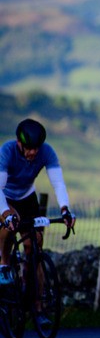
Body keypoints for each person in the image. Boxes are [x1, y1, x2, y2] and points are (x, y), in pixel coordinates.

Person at [0, 119, 76, 326]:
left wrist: (65, 209)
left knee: (35, 248)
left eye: (36, 148)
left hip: (27, 197)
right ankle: (4, 264)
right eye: (29, 148)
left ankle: (37, 307)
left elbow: (58, 183)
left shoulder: (47, 152)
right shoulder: (7, 151)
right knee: (10, 224)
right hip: (5, 197)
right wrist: (5, 214)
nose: (33, 152)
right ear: (19, 143)